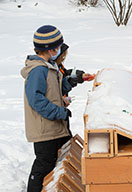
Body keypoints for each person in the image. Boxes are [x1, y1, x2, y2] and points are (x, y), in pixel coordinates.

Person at [21, 25, 73, 192]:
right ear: (50, 50)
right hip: (45, 130)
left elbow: (53, 90)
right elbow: (36, 100)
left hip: (55, 127)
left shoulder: (50, 66)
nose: (59, 51)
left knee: (61, 160)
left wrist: (70, 82)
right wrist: (60, 112)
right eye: (58, 47)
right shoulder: (38, 70)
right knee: (44, 164)